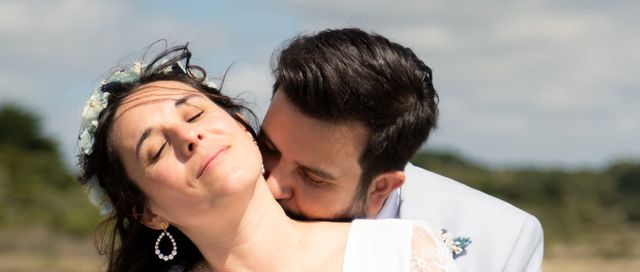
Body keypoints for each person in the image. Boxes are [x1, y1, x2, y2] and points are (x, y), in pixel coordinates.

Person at [77, 44, 459, 272]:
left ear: (243, 127)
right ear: (148, 213)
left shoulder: (403, 251)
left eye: (194, 114)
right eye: (156, 150)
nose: (188, 136)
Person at [260, 28, 544, 272]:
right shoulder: (224, 210)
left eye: (311, 177)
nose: (271, 187)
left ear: (380, 189)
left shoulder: (504, 241)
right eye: (268, 148)